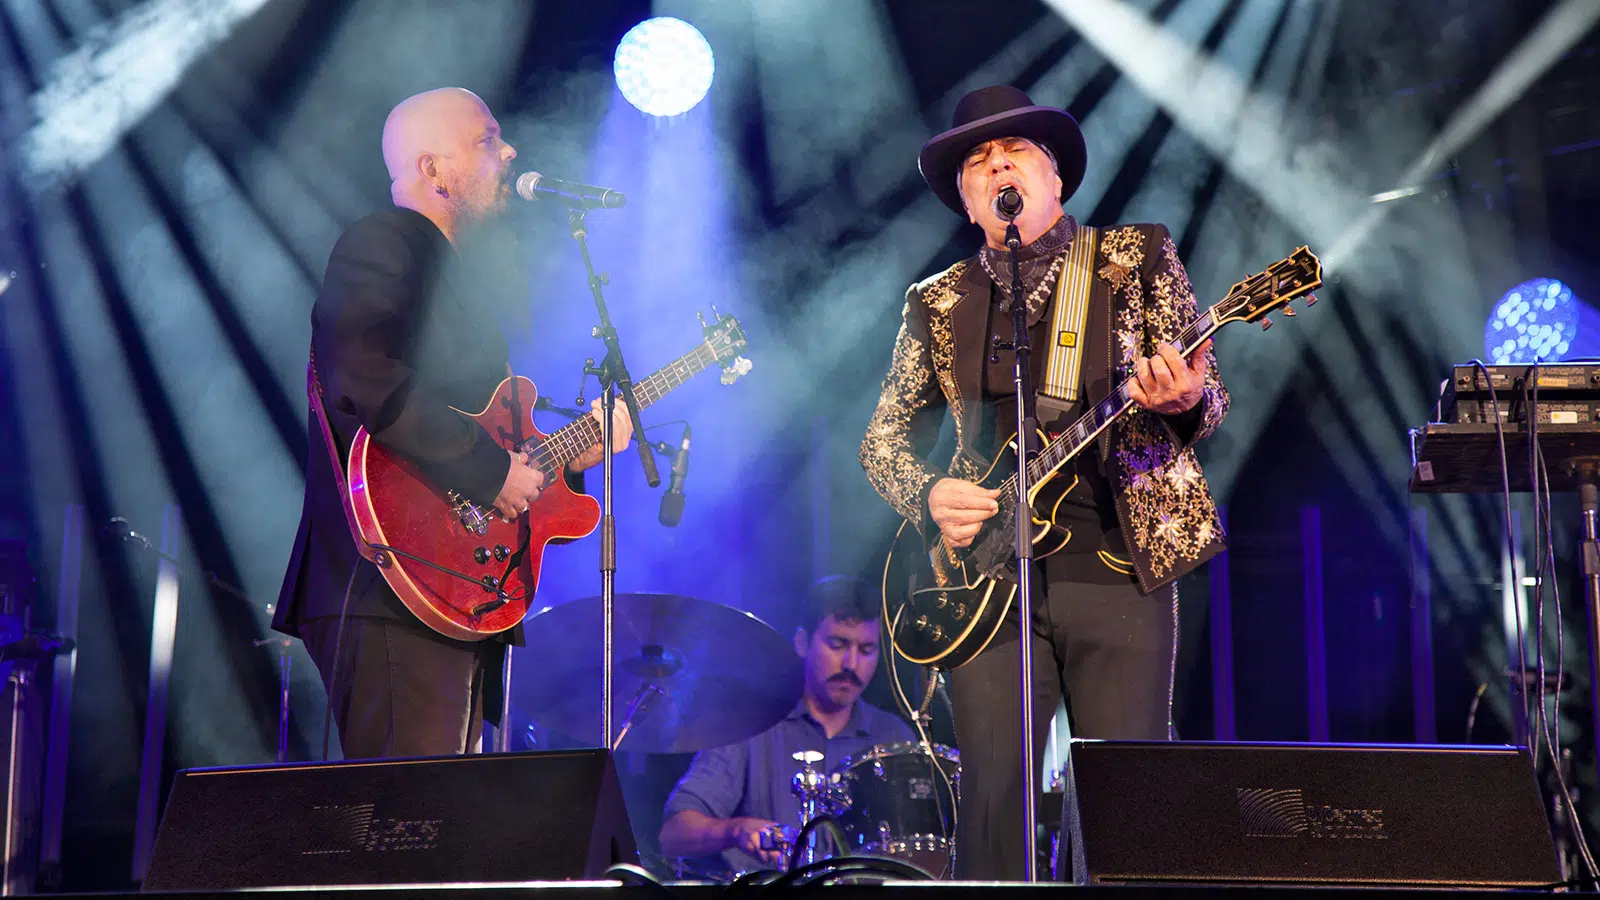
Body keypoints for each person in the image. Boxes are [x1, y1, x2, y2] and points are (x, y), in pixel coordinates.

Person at [858, 85, 1230, 880]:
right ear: (967, 202)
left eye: (1015, 151)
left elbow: (1209, 393)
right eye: (978, 161)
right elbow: (883, 440)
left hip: (1120, 559)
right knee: (994, 807)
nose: (998, 165)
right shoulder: (936, 301)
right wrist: (929, 495)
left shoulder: (1134, 256)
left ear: (1054, 178)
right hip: (987, 579)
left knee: (1127, 803)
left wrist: (1187, 397)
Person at [273, 87, 632, 760]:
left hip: (448, 581)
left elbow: (493, 436)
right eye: (487, 140)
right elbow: (361, 373)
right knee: (410, 810)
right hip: (390, 575)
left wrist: (573, 456)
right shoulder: (384, 241)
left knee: (443, 807)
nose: (510, 151)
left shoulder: (457, 275)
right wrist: (489, 471)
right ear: (433, 170)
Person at [659, 576, 914, 874]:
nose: (851, 664)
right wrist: (736, 830)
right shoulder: (751, 726)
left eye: (867, 650)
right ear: (802, 642)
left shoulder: (894, 738)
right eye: (837, 644)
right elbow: (674, 834)